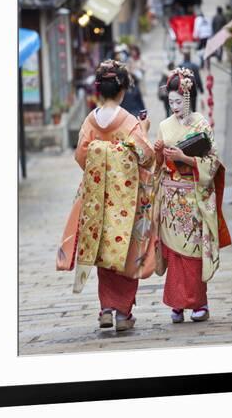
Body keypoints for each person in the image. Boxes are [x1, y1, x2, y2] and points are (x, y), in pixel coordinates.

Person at [56, 60, 155, 332]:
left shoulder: (90, 120)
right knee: (125, 250)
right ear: (122, 89)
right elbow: (146, 157)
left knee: (102, 249)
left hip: (97, 198)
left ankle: (106, 309)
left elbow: (81, 156)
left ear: (99, 90)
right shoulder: (130, 121)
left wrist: (101, 165)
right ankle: (123, 313)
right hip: (127, 199)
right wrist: (143, 132)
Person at [153, 68, 231, 324]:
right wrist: (158, 153)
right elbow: (157, 165)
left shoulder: (201, 124)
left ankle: (199, 302)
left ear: (188, 97)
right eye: (170, 102)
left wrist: (184, 158)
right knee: (175, 254)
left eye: (178, 101)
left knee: (193, 252)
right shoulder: (164, 126)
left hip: (194, 195)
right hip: (171, 197)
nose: (174, 106)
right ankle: (176, 305)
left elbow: (212, 161)